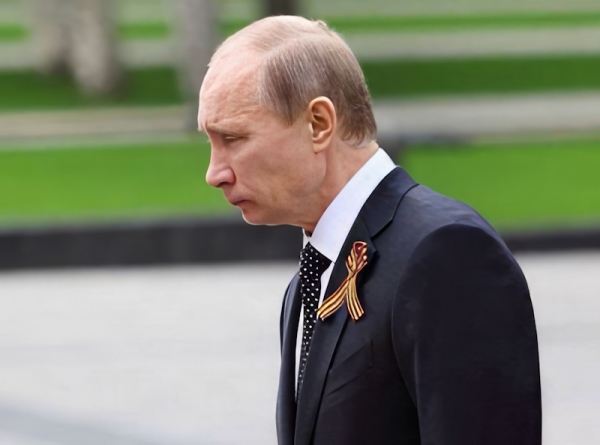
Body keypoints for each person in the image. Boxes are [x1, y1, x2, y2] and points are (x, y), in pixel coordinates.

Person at [198, 16, 541, 445]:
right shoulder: (312, 274)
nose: (214, 173)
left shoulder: (447, 254)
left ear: (318, 124)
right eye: (210, 141)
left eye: (233, 138)